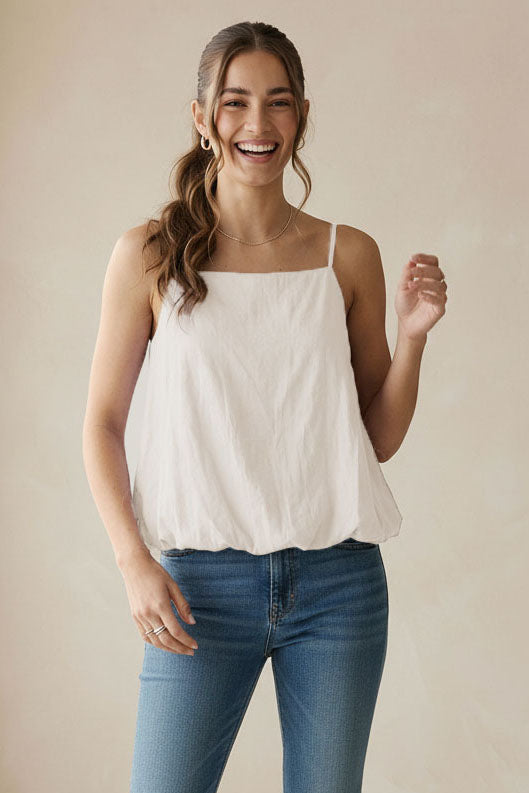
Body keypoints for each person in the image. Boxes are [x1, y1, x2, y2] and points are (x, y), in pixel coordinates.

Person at [82, 21, 447, 793]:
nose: (258, 123)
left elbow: (377, 438)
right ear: (201, 117)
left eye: (278, 102)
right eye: (235, 101)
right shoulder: (147, 254)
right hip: (196, 589)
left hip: (338, 585)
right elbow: (102, 424)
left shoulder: (347, 254)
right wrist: (132, 561)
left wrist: (412, 338)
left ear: (301, 115)